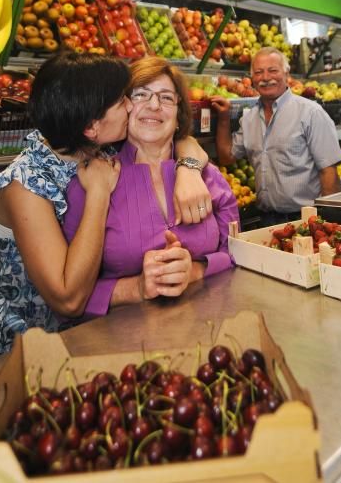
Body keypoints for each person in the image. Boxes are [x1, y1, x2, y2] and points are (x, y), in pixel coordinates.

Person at [0, 51, 211, 359]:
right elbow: (68, 300)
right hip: (15, 354)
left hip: (81, 341)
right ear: (92, 126)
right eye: (122, 100)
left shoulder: (91, 145)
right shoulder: (25, 184)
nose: (132, 106)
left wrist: (187, 167)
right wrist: (98, 194)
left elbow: (179, 137)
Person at [63, 56, 238, 315]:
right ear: (123, 108)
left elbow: (238, 252)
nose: (154, 105)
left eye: (167, 97)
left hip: (210, 326)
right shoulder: (91, 184)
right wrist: (137, 288)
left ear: (179, 116)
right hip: (121, 343)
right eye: (141, 95)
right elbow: (70, 299)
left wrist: (197, 270)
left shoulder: (208, 176)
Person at [211, 47, 341, 225]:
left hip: (305, 218)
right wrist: (224, 119)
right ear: (252, 78)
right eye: (259, 72)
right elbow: (227, 157)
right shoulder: (249, 120)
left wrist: (326, 223)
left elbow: (329, 172)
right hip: (266, 219)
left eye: (273, 70)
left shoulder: (310, 113)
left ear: (286, 73)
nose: (266, 77)